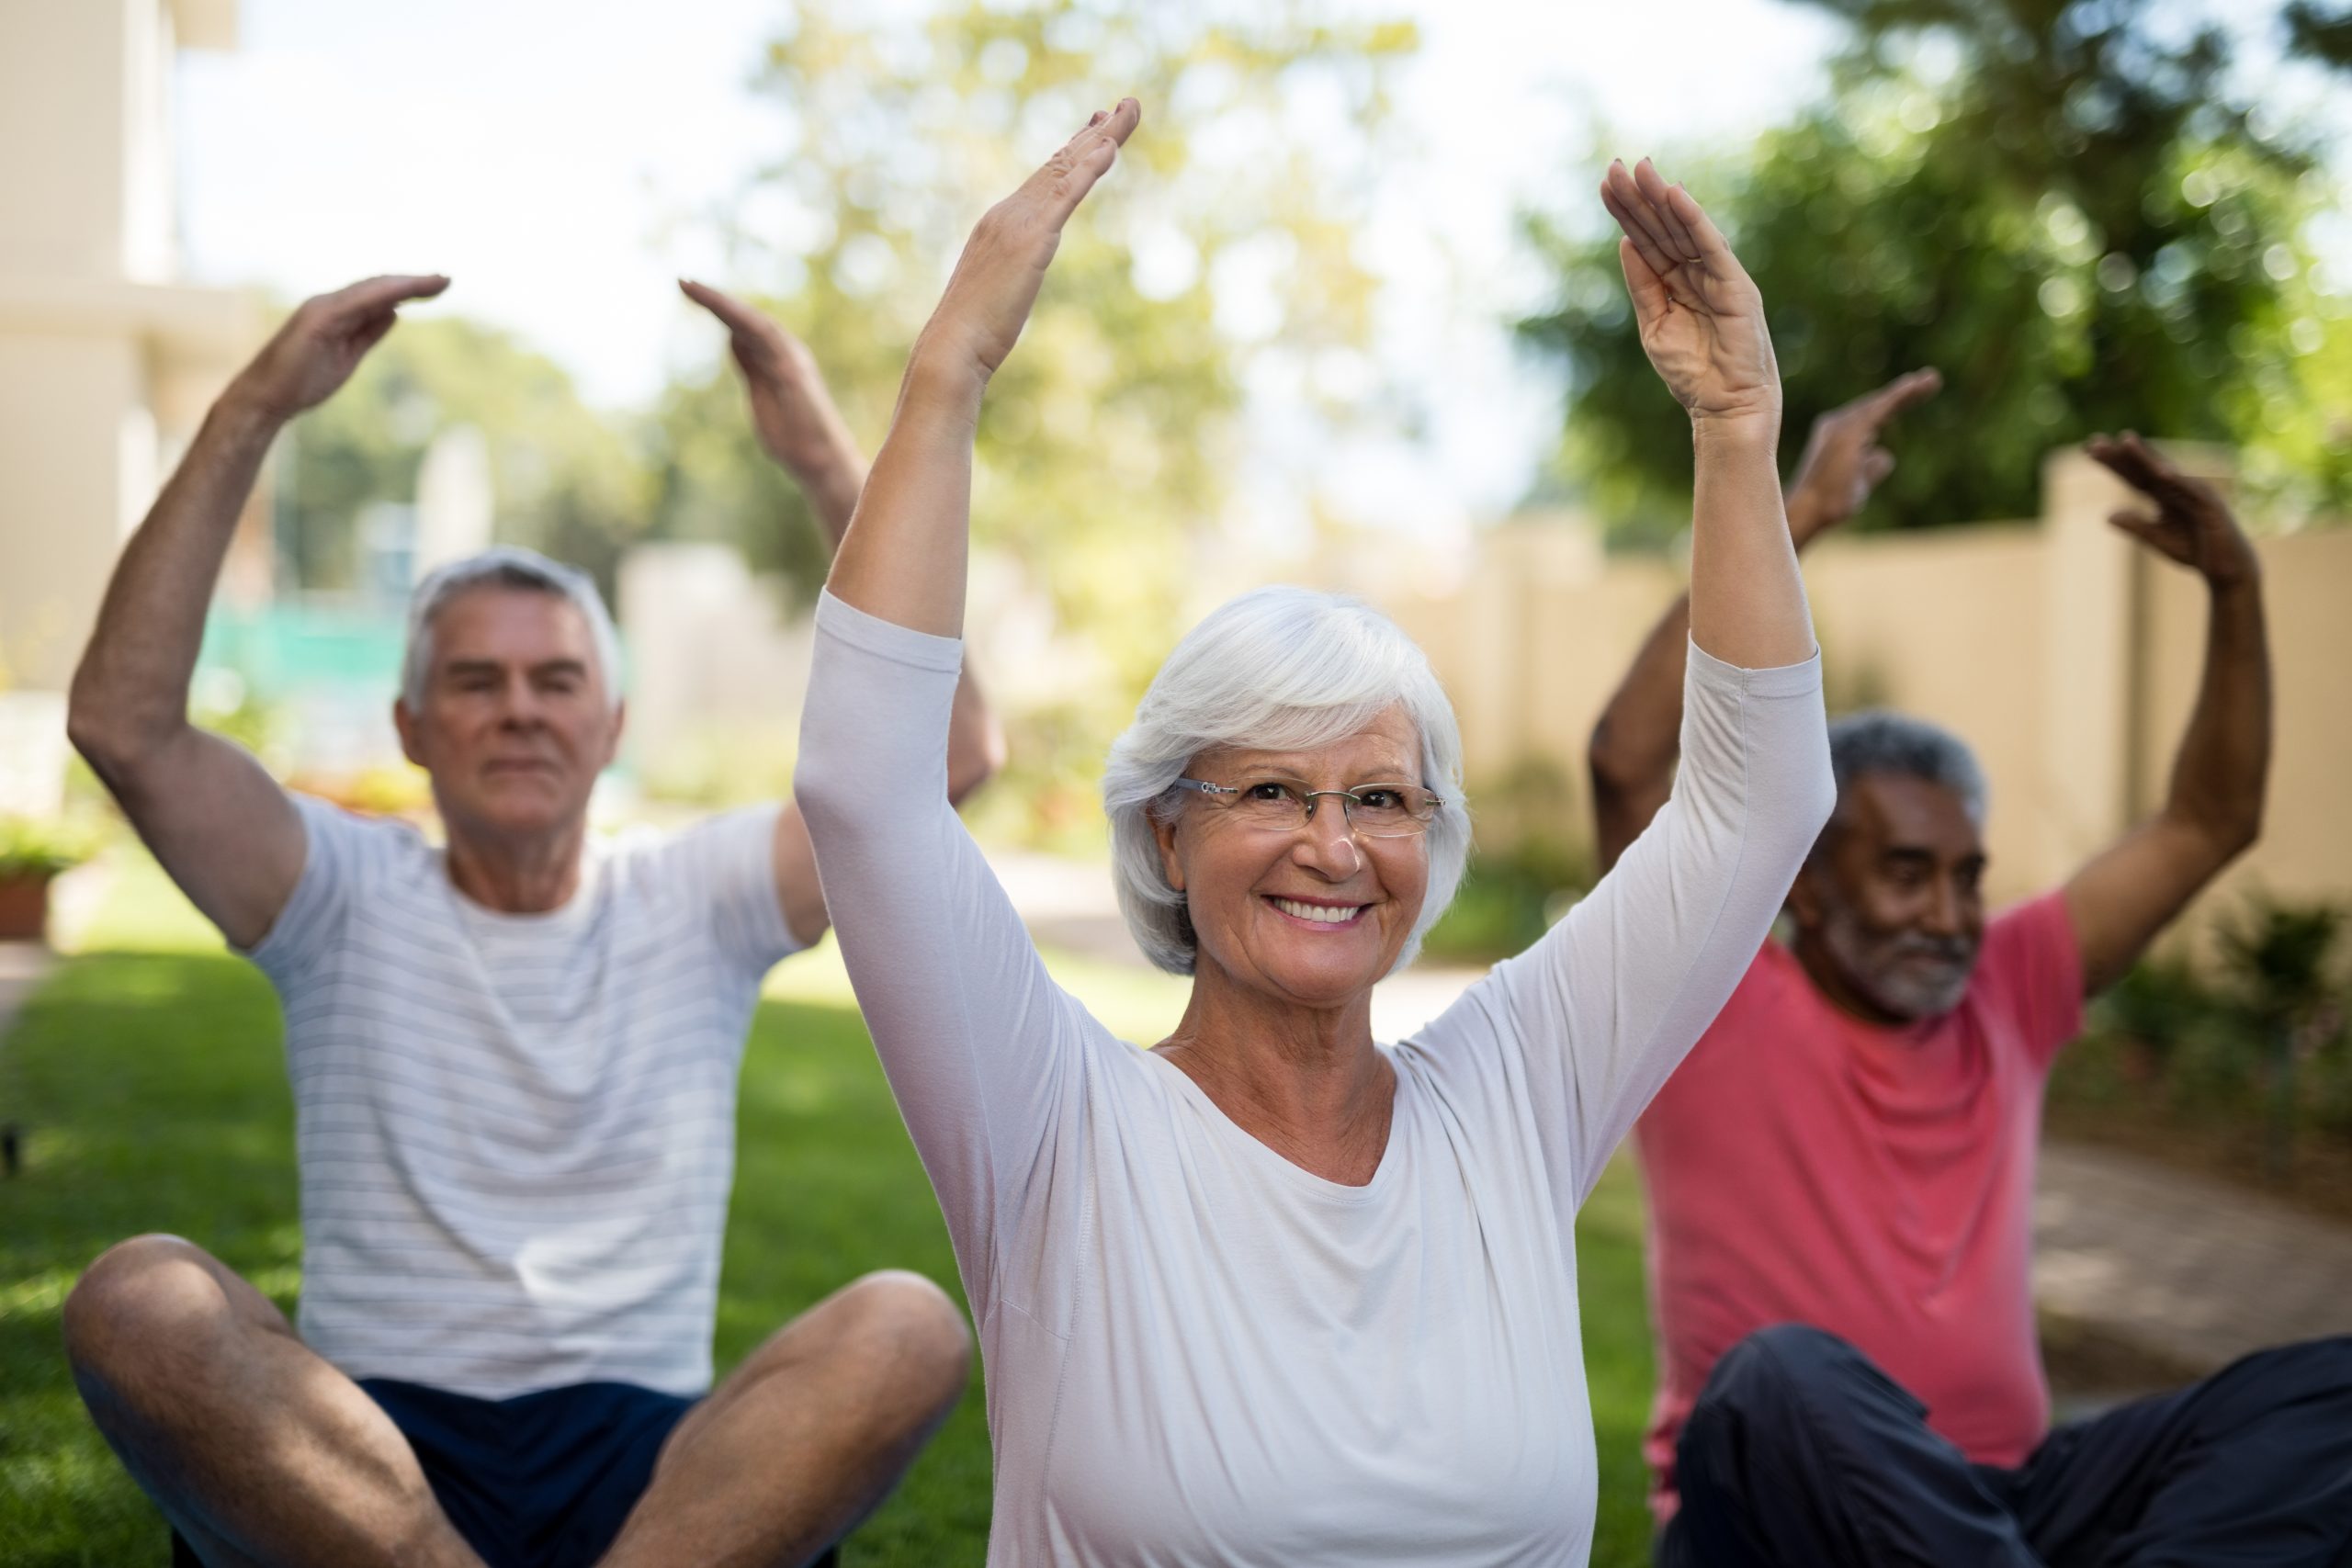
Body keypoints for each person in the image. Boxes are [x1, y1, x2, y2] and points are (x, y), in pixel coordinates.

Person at [793, 100, 1834, 1564]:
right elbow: (863, 783)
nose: (1333, 845)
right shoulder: (1050, 1122)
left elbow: (1759, 804)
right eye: (1269, 791)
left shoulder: (1517, 1099)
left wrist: (1736, 435)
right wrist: (949, 370)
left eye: (1381, 799)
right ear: (1167, 837)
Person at [60, 273, 1000, 1568]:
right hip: (361, 1461)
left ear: (610, 728)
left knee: (908, 1324)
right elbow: (124, 726)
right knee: (137, 1295)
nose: (519, 709)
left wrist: (826, 461)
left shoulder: (701, 898)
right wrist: (256, 407)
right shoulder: (330, 889)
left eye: (558, 680)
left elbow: (947, 754)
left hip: (654, 1480)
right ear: (410, 728)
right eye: (475, 680)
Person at [1589, 373, 2352, 1563]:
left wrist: (2239, 589)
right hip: (1775, 1519)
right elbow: (1623, 765)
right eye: (1905, 872)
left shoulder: (2012, 980)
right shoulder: (1712, 992)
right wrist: (1788, 516)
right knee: (1777, 1375)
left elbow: (2208, 821)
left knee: (2329, 1399)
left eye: (1967, 874)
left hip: (2003, 1505)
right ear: (1804, 885)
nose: (1948, 914)